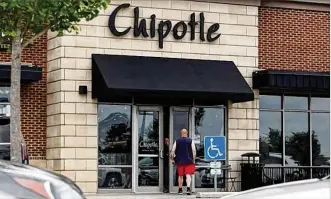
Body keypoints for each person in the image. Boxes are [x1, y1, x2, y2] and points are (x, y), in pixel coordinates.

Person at [170, 128, 196, 195]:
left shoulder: (177, 141)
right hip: (189, 160)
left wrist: (172, 159)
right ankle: (188, 188)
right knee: (188, 175)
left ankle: (180, 189)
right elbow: (194, 150)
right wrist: (193, 159)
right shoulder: (190, 141)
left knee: (180, 175)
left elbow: (173, 150)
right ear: (186, 133)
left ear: (181, 133)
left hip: (180, 161)